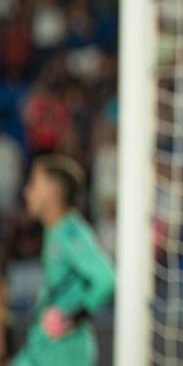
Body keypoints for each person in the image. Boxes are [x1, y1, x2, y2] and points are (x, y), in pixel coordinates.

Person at [13, 154, 115, 366]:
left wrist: (74, 317)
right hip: (44, 346)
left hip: (65, 350)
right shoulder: (55, 231)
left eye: (34, 183)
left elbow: (106, 278)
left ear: (53, 191)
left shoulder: (71, 231)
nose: (27, 191)